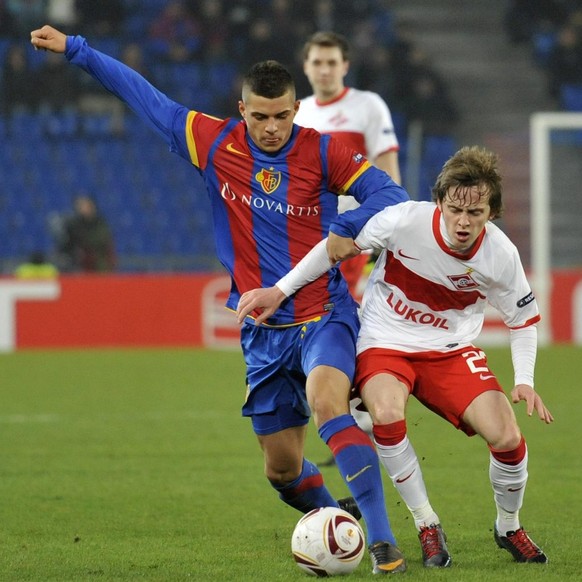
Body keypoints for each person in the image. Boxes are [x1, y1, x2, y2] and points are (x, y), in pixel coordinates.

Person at [30, 24, 411, 574]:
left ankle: (381, 541)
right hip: (261, 330)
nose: (273, 127)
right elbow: (142, 95)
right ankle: (336, 521)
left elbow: (392, 195)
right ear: (242, 109)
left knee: (328, 401)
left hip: (321, 312)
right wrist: (78, 51)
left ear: (296, 109)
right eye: (260, 117)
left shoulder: (324, 151)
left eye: (283, 116)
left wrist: (343, 227)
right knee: (282, 471)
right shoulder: (212, 141)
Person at [237, 145, 554, 567]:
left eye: (475, 213)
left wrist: (525, 380)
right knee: (385, 412)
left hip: (449, 349)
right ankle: (426, 524)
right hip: (384, 341)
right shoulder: (405, 221)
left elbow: (522, 320)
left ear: (491, 213)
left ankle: (509, 527)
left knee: (508, 436)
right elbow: (332, 249)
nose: (463, 222)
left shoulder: (501, 255)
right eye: (454, 209)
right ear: (439, 201)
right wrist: (280, 290)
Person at [295, 31, 401, 302]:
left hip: (355, 229)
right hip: (310, 229)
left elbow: (387, 168)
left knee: (344, 305)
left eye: (331, 63)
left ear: (345, 66)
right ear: (306, 66)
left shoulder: (367, 106)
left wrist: (390, 224)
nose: (324, 70)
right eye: (318, 63)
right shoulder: (299, 113)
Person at [57, 194, 116, 273]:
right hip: (81, 266)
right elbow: (68, 244)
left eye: (84, 206)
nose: (81, 209)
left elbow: (97, 240)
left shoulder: (100, 224)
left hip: (99, 266)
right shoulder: (75, 224)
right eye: (79, 206)